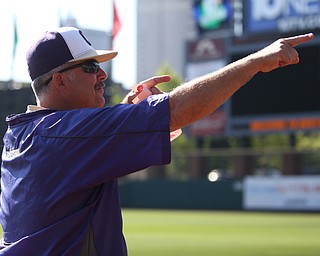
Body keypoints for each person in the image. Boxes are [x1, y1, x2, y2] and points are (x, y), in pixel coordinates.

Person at [0, 26, 314, 255]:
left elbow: (71, 154)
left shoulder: (22, 134)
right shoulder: (62, 136)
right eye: (90, 66)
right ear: (60, 80)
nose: (102, 75)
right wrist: (255, 61)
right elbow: (176, 110)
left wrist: (123, 116)